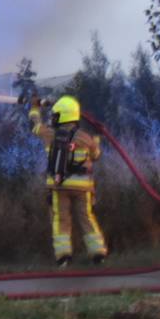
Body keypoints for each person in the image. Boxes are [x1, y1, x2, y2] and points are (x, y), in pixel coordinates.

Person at [28, 95, 108, 266]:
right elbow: (96, 156)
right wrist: (97, 138)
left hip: (58, 187)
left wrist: (35, 108)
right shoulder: (85, 137)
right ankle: (98, 254)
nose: (54, 118)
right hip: (83, 188)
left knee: (61, 220)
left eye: (56, 115)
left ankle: (63, 257)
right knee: (86, 218)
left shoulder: (49, 133)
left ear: (62, 116)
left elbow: (34, 125)